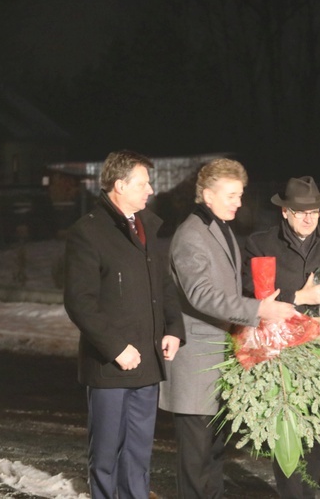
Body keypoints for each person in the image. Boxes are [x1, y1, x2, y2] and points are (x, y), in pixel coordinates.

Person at [159, 158, 296, 499]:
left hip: (217, 361)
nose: (239, 201)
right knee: (196, 459)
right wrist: (258, 309)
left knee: (214, 453)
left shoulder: (219, 227)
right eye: (232, 195)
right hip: (196, 363)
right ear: (207, 195)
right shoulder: (191, 234)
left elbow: (227, 290)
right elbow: (202, 295)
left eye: (240, 194)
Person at [63, 150, 185, 499]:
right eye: (143, 183)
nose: (150, 190)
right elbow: (79, 302)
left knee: (138, 453)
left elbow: (162, 286)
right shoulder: (88, 231)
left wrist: (174, 328)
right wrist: (116, 348)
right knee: (106, 454)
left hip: (146, 362)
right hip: (110, 367)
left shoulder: (147, 226)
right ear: (119, 185)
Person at [242, 176, 320, 499]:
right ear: (285, 212)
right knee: (287, 435)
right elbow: (249, 295)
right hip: (280, 352)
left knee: (316, 434)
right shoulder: (260, 243)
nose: (308, 217)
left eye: (314, 211)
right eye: (300, 212)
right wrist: (300, 296)